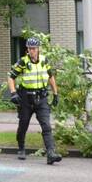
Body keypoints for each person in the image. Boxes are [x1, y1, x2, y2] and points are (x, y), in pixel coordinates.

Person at [7, 37, 61, 165]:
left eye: (34, 48)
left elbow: (51, 77)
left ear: (38, 49)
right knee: (23, 124)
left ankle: (51, 153)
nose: (32, 51)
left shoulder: (44, 61)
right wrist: (13, 93)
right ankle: (21, 148)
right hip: (26, 98)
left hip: (41, 98)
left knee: (46, 125)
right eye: (30, 48)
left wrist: (55, 94)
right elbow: (11, 77)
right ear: (27, 49)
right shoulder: (23, 62)